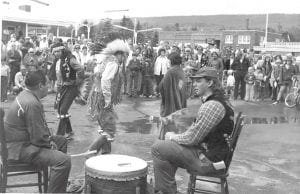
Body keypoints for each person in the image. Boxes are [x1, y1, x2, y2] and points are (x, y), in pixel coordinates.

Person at [151, 67, 234, 194]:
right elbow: (196, 133)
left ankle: (165, 190)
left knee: (158, 148)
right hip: (214, 156)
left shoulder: (212, 105)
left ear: (210, 83)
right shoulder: (218, 101)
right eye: (194, 81)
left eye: (199, 81)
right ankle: (165, 189)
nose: (194, 84)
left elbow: (192, 138)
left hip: (211, 162)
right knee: (168, 148)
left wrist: (172, 136)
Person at [4, 70, 71, 193]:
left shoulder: (25, 94)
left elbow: (37, 131)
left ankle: (56, 181)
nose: (49, 87)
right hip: (19, 149)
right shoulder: (32, 103)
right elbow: (38, 138)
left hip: (17, 143)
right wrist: (50, 144)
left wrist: (50, 140)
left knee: (62, 141)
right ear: (40, 85)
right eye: (47, 84)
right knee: (64, 161)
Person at [87, 39, 130, 154]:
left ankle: (106, 153)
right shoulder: (114, 63)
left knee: (106, 126)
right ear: (119, 54)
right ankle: (91, 151)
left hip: (98, 95)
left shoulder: (106, 60)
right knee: (110, 128)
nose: (125, 58)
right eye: (125, 55)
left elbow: (97, 74)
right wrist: (107, 99)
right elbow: (106, 80)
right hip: (102, 97)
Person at [52, 43, 84, 138]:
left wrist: (75, 82)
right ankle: (69, 132)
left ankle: (59, 135)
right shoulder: (59, 61)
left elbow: (81, 70)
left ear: (62, 50)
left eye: (58, 51)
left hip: (72, 88)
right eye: (55, 52)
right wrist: (58, 89)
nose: (56, 53)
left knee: (63, 109)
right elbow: (59, 77)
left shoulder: (70, 58)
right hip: (63, 88)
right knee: (60, 109)